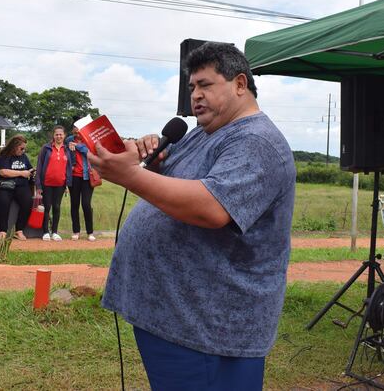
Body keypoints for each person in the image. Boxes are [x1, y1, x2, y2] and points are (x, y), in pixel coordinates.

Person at [89, 42, 295, 390]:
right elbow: (176, 184)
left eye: (205, 85)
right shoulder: (203, 132)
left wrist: (131, 176)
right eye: (191, 88)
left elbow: (212, 207)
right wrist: (152, 163)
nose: (195, 96)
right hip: (177, 318)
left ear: (240, 84)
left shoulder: (257, 141)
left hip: (211, 330)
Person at [0, 135, 34, 241]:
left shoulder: (23, 156)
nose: (23, 151)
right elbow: (3, 172)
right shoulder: (4, 155)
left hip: (20, 185)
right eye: (21, 148)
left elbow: (29, 168)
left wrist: (33, 172)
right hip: (5, 185)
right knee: (4, 201)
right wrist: (21, 173)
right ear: (14, 146)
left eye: (24, 148)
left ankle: (19, 230)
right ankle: (3, 231)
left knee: (28, 201)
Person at [36, 125, 71, 241]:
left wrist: (67, 184)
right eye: (57, 134)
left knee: (57, 207)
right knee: (47, 207)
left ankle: (55, 232)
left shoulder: (66, 150)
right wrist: (38, 185)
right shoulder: (46, 148)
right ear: (53, 135)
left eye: (61, 134)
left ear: (64, 135)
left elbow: (69, 167)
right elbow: (39, 166)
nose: (59, 136)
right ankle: (45, 231)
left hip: (60, 184)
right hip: (47, 183)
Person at [66, 125, 96, 241]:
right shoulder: (69, 140)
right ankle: (76, 231)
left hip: (87, 176)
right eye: (75, 127)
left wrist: (78, 146)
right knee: (74, 204)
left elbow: (89, 152)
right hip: (74, 176)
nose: (77, 130)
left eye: (79, 127)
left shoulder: (89, 140)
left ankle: (90, 232)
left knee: (86, 204)